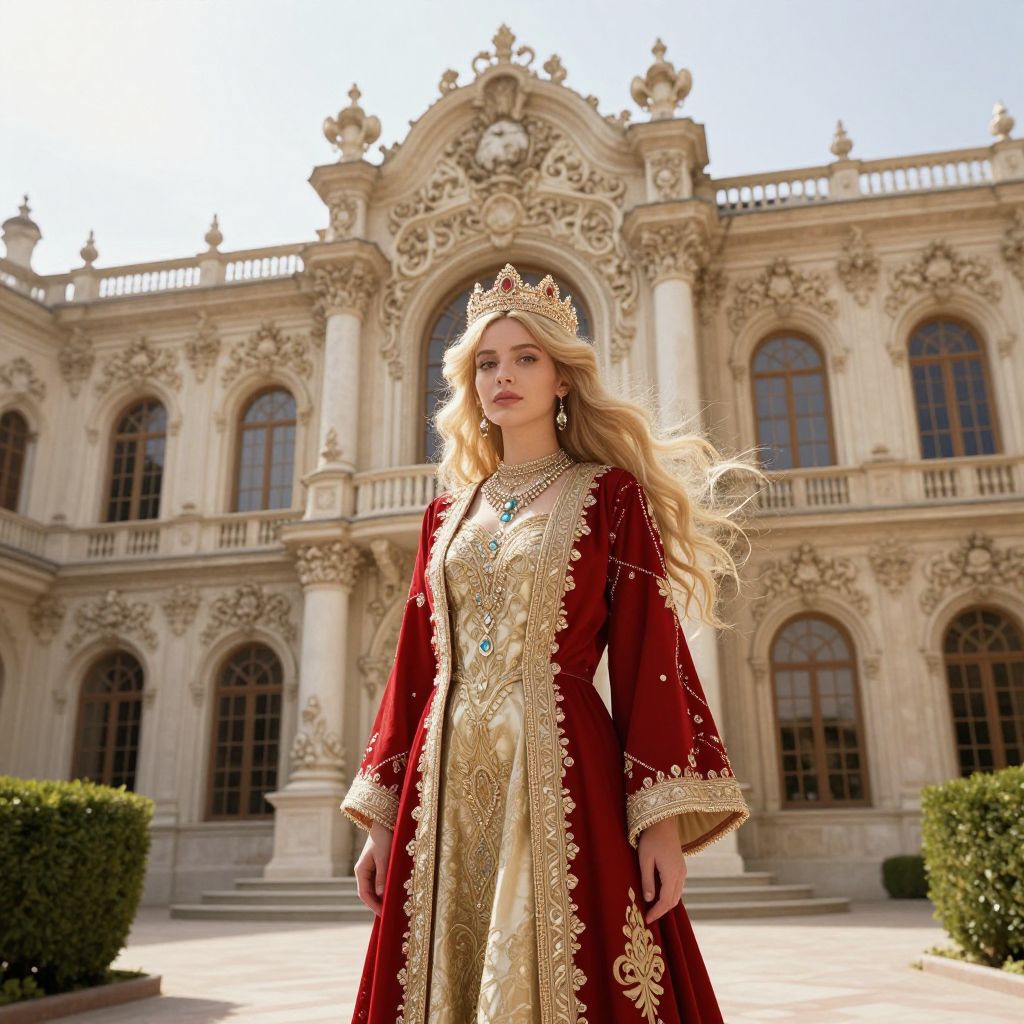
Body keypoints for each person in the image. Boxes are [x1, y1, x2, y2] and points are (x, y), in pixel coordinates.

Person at [342, 264, 757, 1023]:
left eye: (526, 358)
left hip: (564, 769)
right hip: (443, 785)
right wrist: (379, 822)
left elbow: (647, 659)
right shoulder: (444, 516)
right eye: (488, 362)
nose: (504, 375)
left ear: (563, 378)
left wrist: (658, 823)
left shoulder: (610, 496)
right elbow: (414, 671)